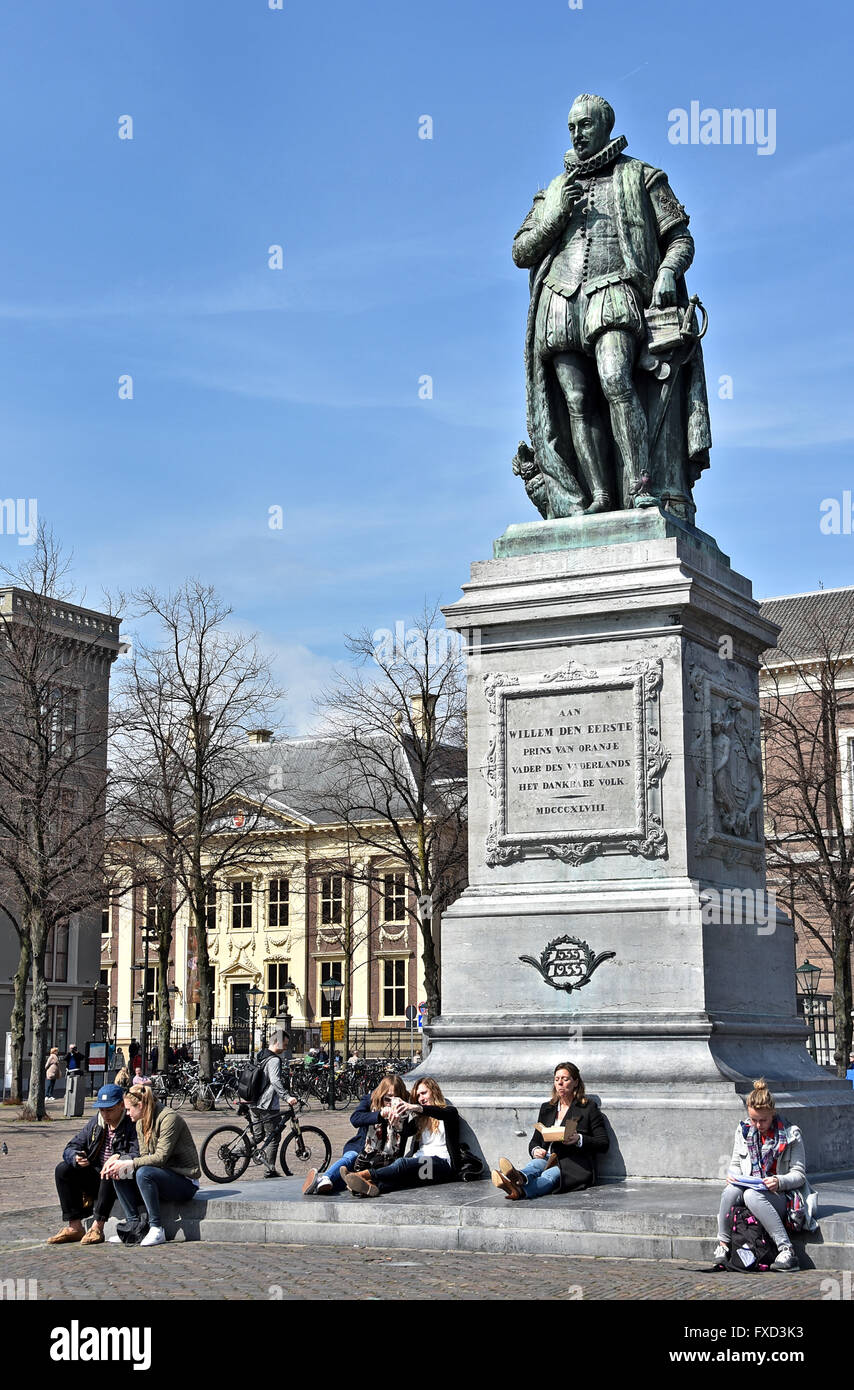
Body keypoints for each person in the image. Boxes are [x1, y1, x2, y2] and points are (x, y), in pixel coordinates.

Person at [511, 93, 710, 520]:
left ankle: (640, 485)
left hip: (615, 289)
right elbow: (521, 251)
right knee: (577, 401)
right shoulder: (553, 190)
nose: (577, 134)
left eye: (585, 125)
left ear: (605, 126)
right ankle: (599, 495)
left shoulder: (642, 176)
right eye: (571, 127)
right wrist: (553, 216)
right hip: (560, 299)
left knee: (616, 380)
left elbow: (680, 239)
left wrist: (667, 273)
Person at [714, 1078, 815, 1272]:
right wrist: (733, 1176)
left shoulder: (791, 1134)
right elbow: (735, 1164)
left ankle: (787, 1250)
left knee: (751, 1195)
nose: (758, 1125)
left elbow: (799, 1175)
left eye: (763, 1120)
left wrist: (778, 1181)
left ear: (772, 1114)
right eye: (754, 1119)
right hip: (751, 1188)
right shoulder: (744, 1131)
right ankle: (723, 1245)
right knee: (730, 1191)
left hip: (781, 1196)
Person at [491, 1061, 609, 1200]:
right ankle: (519, 1177)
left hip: (572, 1164)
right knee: (534, 1165)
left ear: (576, 1082)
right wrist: (535, 1150)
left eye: (565, 1079)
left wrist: (579, 1139)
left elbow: (603, 1143)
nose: (560, 1083)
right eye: (557, 1079)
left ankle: (517, 1188)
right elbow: (535, 1140)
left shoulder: (588, 1108)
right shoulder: (547, 1108)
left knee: (549, 1176)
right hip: (548, 1157)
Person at [102, 1084, 201, 1247]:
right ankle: (133, 1226)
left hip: (185, 1181)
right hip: (160, 1175)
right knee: (120, 1171)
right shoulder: (140, 1122)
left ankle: (156, 1228)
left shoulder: (169, 1118)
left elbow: (160, 1157)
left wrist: (130, 1162)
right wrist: (120, 1160)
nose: (126, 1114)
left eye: (128, 1110)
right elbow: (143, 1155)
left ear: (139, 1106)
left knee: (143, 1173)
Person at [47, 1083, 139, 1245]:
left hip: (121, 1181)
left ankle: (97, 1227)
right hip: (97, 1178)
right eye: (102, 1110)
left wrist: (119, 1157)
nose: (105, 1114)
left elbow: (138, 1153)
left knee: (111, 1169)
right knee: (63, 1169)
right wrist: (75, 1157)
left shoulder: (131, 1124)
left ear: (121, 1105)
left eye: (109, 1110)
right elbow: (71, 1147)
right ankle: (75, 1226)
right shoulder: (96, 1123)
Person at [343, 1077, 461, 1198]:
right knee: (402, 1180)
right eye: (418, 1095)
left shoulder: (448, 1112)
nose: (421, 1098)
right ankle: (368, 1186)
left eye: (424, 1093)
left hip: (442, 1164)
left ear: (434, 1091)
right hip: (422, 1165)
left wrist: (414, 1107)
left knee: (401, 1164)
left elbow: (441, 1113)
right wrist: (396, 1123)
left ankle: (361, 1175)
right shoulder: (419, 1120)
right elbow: (405, 1132)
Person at [303, 1074, 409, 1196]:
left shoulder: (405, 1110)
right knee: (351, 1157)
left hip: (384, 1160)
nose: (391, 1103)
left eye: (396, 1099)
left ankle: (319, 1186)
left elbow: (409, 1132)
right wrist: (380, 1115)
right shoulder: (370, 1100)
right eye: (387, 1099)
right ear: (381, 1095)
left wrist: (399, 1122)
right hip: (361, 1150)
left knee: (348, 1180)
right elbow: (355, 1119)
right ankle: (324, 1178)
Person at [250, 1031, 299, 1178]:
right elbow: (275, 1081)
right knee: (274, 1136)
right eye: (284, 1044)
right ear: (277, 1042)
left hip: (253, 1102)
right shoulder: (274, 1060)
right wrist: (287, 1097)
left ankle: (233, 1154)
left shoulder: (260, 1055)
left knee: (258, 1136)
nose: (285, 1048)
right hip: (267, 1104)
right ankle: (269, 1170)